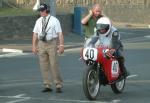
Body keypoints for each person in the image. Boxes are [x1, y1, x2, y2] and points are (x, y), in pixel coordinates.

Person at [32, 3, 64, 93]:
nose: (41, 12)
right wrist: (34, 46)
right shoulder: (38, 21)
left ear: (47, 10)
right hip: (41, 44)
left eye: (42, 11)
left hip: (52, 43)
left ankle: (58, 84)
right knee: (43, 65)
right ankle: (47, 84)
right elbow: (35, 33)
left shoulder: (54, 20)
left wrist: (61, 45)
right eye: (40, 11)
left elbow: (60, 33)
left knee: (54, 64)